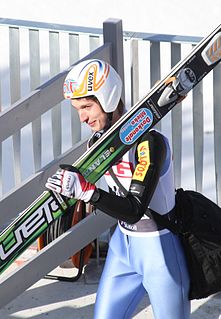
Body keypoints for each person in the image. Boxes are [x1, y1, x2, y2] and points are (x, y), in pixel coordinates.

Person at [45, 59, 190, 319]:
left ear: (108, 99)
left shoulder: (150, 143)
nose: (82, 117)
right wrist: (67, 182)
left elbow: (134, 209)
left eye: (87, 106)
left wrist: (88, 192)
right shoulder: (97, 144)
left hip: (159, 249)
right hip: (122, 248)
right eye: (78, 109)